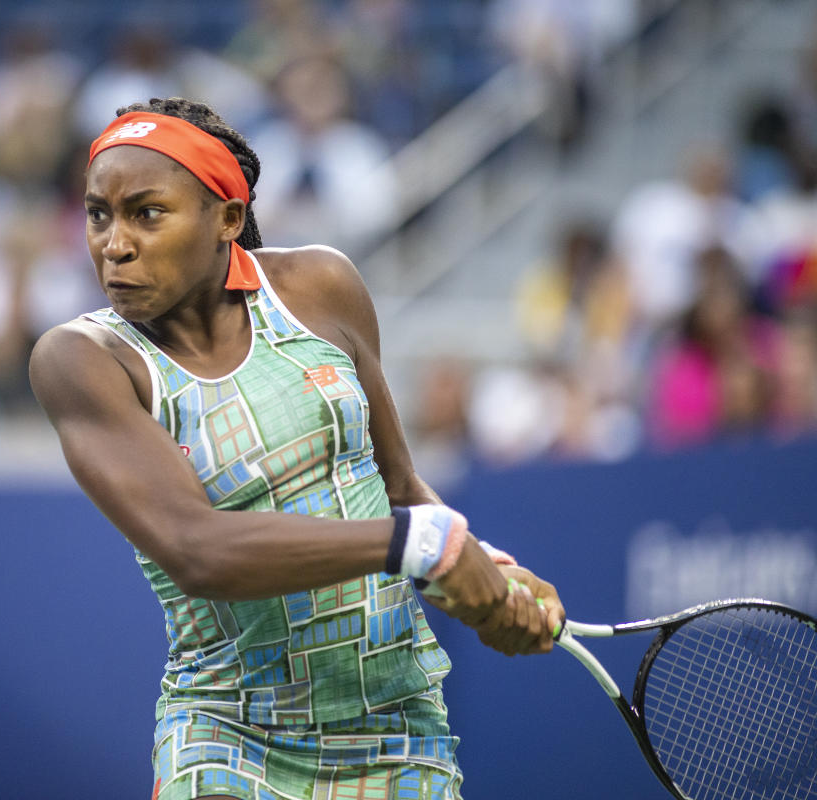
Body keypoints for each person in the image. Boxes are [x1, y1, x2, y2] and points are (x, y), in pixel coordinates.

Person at [29, 97, 564, 800]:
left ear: (226, 218)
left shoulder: (319, 286)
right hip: (227, 741)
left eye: (146, 212)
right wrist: (422, 545)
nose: (114, 243)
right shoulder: (84, 358)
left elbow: (399, 488)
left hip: (398, 733)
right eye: (100, 213)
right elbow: (198, 549)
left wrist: (487, 570)